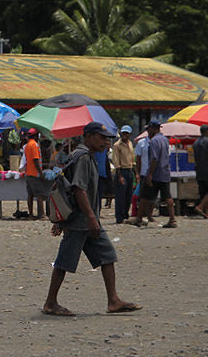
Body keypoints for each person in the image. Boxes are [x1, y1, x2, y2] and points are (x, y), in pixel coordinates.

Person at [42, 122, 142, 317]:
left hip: (88, 220)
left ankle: (113, 300)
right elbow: (78, 189)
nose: (106, 142)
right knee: (64, 261)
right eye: (102, 137)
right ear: (88, 136)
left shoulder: (84, 156)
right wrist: (90, 217)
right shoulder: (84, 158)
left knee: (107, 255)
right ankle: (50, 302)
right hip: (82, 221)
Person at [131, 121, 177, 228]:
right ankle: (173, 219)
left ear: (152, 129)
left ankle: (138, 218)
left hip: (155, 173)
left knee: (144, 196)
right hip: (165, 173)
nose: (147, 131)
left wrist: (150, 174)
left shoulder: (154, 141)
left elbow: (154, 159)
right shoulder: (165, 140)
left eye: (148, 129)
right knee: (167, 196)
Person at [111, 125, 136, 224]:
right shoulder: (117, 145)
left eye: (126, 133)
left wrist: (136, 174)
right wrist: (120, 176)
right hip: (121, 171)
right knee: (120, 196)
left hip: (129, 170)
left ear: (129, 134)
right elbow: (116, 161)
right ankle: (119, 216)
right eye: (123, 133)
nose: (124, 135)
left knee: (128, 195)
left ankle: (126, 214)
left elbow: (132, 159)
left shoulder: (130, 144)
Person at [193, 125, 208, 219]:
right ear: (207, 132)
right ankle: (200, 207)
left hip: (199, 170)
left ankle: (207, 213)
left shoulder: (195, 143)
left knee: (203, 192)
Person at [24, 129, 46, 220]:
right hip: (34, 173)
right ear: (36, 135)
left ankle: (31, 215)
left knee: (30, 195)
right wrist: (41, 173)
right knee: (39, 195)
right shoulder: (34, 145)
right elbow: (35, 160)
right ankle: (42, 215)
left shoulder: (27, 145)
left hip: (28, 172)